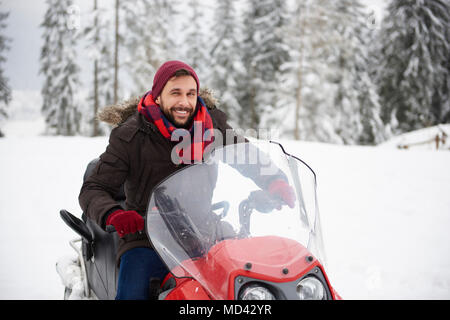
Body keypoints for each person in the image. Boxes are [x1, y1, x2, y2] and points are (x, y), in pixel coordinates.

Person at [79, 60, 295, 300]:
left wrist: (275, 181)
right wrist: (114, 214)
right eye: (175, 93)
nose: (184, 102)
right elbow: (93, 188)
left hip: (204, 232)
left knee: (251, 282)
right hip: (147, 238)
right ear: (158, 96)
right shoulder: (131, 136)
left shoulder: (212, 125)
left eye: (190, 93)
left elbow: (245, 154)